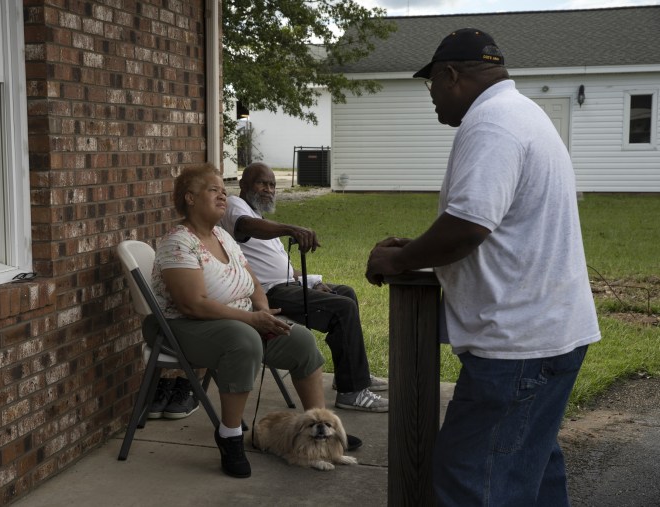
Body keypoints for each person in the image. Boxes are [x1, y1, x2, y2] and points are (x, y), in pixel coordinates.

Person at [365, 29, 601, 506]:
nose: (430, 98)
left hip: (518, 348)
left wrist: (400, 259)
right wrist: (422, 246)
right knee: (529, 473)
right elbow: (499, 226)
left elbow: (469, 226)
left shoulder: (492, 123)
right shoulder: (523, 114)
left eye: (429, 84)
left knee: (471, 480)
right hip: (551, 333)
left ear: (451, 75)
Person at [151, 163, 358, 479]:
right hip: (182, 327)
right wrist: (251, 319)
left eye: (224, 190)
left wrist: (265, 313)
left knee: (299, 338)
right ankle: (230, 435)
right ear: (190, 198)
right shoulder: (178, 243)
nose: (223, 196)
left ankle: (318, 428)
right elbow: (192, 304)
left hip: (235, 320)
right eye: (214, 190)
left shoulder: (222, 235)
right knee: (243, 341)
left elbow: (254, 283)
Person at [219, 162, 388, 413]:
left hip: (285, 284)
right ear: (243, 185)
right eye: (261, 183)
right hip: (266, 294)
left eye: (272, 185)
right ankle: (352, 392)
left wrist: (312, 281)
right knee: (342, 308)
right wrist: (290, 229)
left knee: (345, 293)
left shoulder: (260, 217)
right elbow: (245, 226)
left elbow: (283, 269)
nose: (268, 189)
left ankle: (353, 375)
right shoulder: (236, 207)